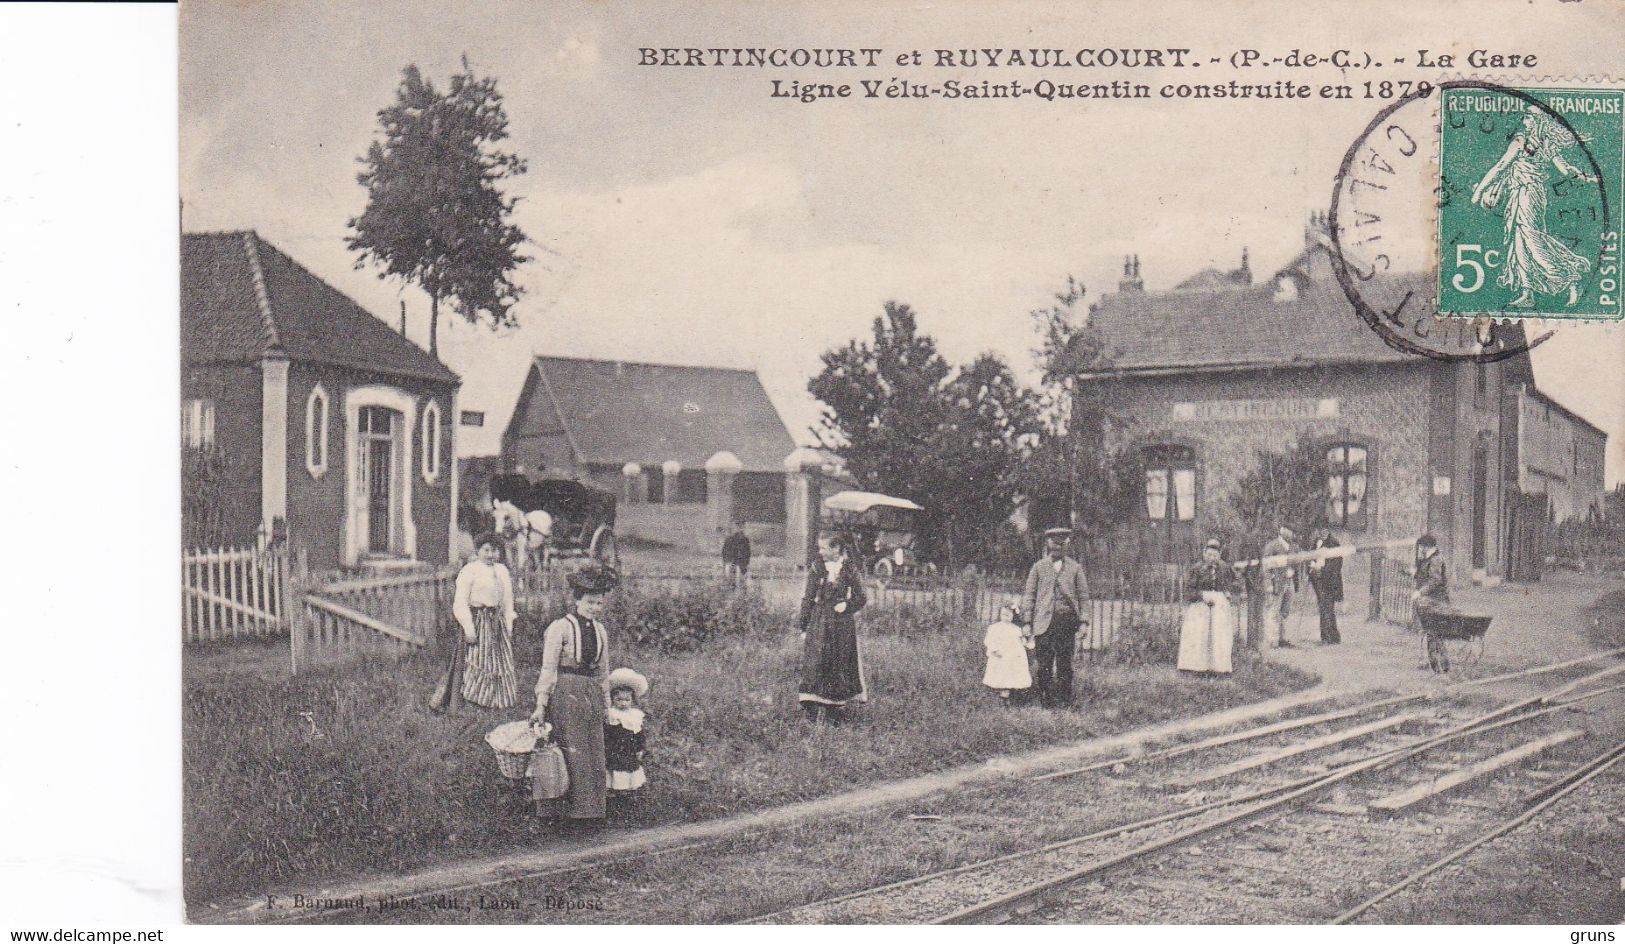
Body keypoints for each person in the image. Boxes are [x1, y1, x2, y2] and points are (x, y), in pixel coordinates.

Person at [1471, 110, 1598, 309]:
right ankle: (1527, 292)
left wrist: (1479, 191)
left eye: (1528, 118)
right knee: (1519, 240)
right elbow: (1566, 169)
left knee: (1531, 237)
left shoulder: (1522, 141)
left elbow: (1501, 165)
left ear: (1536, 121)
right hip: (1524, 193)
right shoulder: (1547, 143)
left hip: (1528, 193)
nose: (1524, 121)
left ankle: (1569, 278)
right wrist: (1587, 177)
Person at [530, 566, 617, 829]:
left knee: (592, 752)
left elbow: (603, 673)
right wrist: (541, 704)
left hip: (590, 694)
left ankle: (590, 814)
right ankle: (562, 815)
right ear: (577, 600)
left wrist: (606, 706)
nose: (594, 608)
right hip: (566, 694)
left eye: (599, 603)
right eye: (590, 602)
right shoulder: (561, 628)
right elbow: (548, 668)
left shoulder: (601, 632)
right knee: (570, 752)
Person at [432, 533, 518, 712]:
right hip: (478, 620)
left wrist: (508, 624)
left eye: (494, 551)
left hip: (496, 623)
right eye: (486, 550)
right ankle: (472, 701)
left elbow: (507, 601)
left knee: (498, 661)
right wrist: (469, 628)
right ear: (478, 551)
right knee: (476, 659)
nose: (490, 555)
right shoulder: (470, 570)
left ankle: (495, 700)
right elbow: (460, 602)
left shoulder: (502, 570)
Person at [797, 531, 868, 723]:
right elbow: (808, 597)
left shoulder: (849, 568)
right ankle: (811, 707)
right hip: (819, 621)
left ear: (836, 548)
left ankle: (834, 709)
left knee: (838, 662)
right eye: (819, 548)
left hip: (841, 624)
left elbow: (862, 597)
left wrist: (847, 605)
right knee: (816, 660)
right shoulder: (817, 568)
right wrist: (803, 625)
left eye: (823, 548)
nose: (820, 552)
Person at [1022, 527, 1090, 708]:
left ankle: (1064, 701)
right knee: (1043, 663)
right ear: (1048, 544)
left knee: (1064, 664)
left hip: (1067, 622)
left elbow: (1083, 597)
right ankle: (1046, 701)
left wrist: (1083, 622)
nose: (1057, 546)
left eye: (1061, 542)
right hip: (1043, 623)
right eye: (1054, 542)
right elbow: (1029, 596)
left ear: (1067, 544)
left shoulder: (1075, 568)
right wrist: (1027, 622)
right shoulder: (1038, 567)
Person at [1178, 539, 1241, 675]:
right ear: (1204, 554)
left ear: (1219, 555)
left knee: (1219, 634)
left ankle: (1218, 667)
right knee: (1199, 633)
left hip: (1219, 604)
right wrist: (1201, 596)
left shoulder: (1225, 568)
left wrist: (1228, 591)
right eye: (1209, 554)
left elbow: (1235, 582)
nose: (1212, 558)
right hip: (1200, 606)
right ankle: (1195, 667)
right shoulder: (1197, 568)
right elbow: (1188, 590)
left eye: (1215, 555)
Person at [604, 667, 649, 799]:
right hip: (615, 750)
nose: (623, 703)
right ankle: (614, 794)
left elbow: (639, 734)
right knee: (615, 772)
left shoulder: (634, 716)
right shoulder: (612, 715)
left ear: (632, 700)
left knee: (629, 772)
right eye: (619, 700)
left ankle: (627, 796)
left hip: (629, 750)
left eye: (627, 700)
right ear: (612, 699)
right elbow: (607, 732)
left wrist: (640, 748)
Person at [1411, 534, 1453, 674]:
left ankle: (1439, 667)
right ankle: (1441, 666)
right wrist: (1412, 573)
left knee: (1433, 633)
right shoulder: (1428, 559)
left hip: (1436, 601)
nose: (1420, 549)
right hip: (1431, 601)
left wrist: (1420, 592)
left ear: (1426, 546)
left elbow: (1435, 580)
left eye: (1422, 546)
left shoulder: (1435, 559)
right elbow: (1424, 575)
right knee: (1433, 633)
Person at [982, 605, 1034, 705]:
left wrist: (1029, 643)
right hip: (1002, 656)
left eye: (1009, 615)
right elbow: (989, 640)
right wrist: (994, 650)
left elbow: (1023, 641)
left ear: (1013, 616)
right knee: (1003, 675)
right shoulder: (995, 628)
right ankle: (1004, 697)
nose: (1006, 617)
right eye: (1003, 615)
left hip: (1014, 657)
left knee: (1013, 676)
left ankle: (1014, 696)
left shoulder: (1017, 629)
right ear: (1000, 615)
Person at [1262, 525, 1300, 648]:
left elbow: (1296, 563)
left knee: (1285, 611)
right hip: (1276, 583)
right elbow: (1266, 566)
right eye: (1288, 529)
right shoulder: (1272, 546)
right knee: (1274, 611)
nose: (1290, 533)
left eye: (1292, 531)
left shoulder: (1293, 547)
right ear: (1282, 530)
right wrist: (1268, 584)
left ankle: (1282, 638)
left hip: (1289, 582)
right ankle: (1273, 640)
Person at [1307, 528, 1344, 645]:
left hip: (1329, 581)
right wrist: (1312, 566)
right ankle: (1332, 636)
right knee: (1325, 607)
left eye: (1324, 530)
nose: (1321, 532)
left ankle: (1328, 636)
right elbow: (1311, 557)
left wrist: (1322, 570)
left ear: (1328, 530)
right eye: (1320, 530)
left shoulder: (1333, 543)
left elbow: (1336, 565)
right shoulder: (1316, 542)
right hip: (1318, 580)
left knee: (1326, 607)